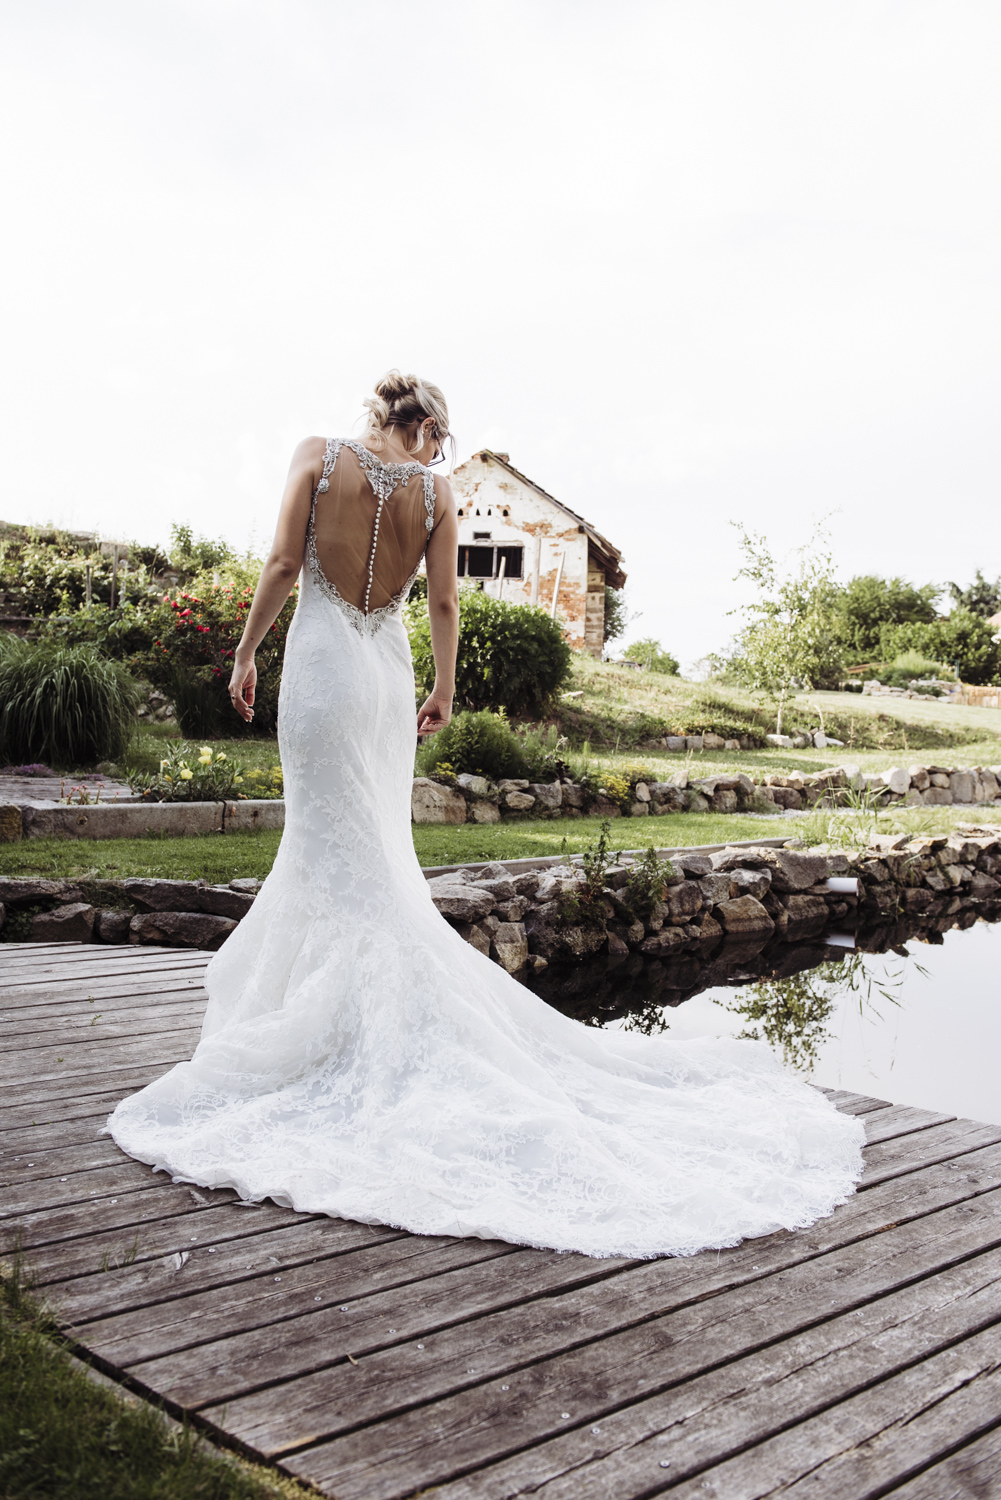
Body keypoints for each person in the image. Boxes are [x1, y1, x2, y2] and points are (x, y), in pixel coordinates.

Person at [108, 371, 864, 1259]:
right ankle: (343, 1009)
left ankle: (321, 1018)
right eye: (439, 438)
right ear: (421, 426)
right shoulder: (435, 494)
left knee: (328, 841)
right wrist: (444, 686)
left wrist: (243, 656)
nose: (439, 453)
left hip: (318, 664)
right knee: (371, 848)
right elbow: (440, 601)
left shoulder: (316, 455)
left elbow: (281, 565)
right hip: (383, 675)